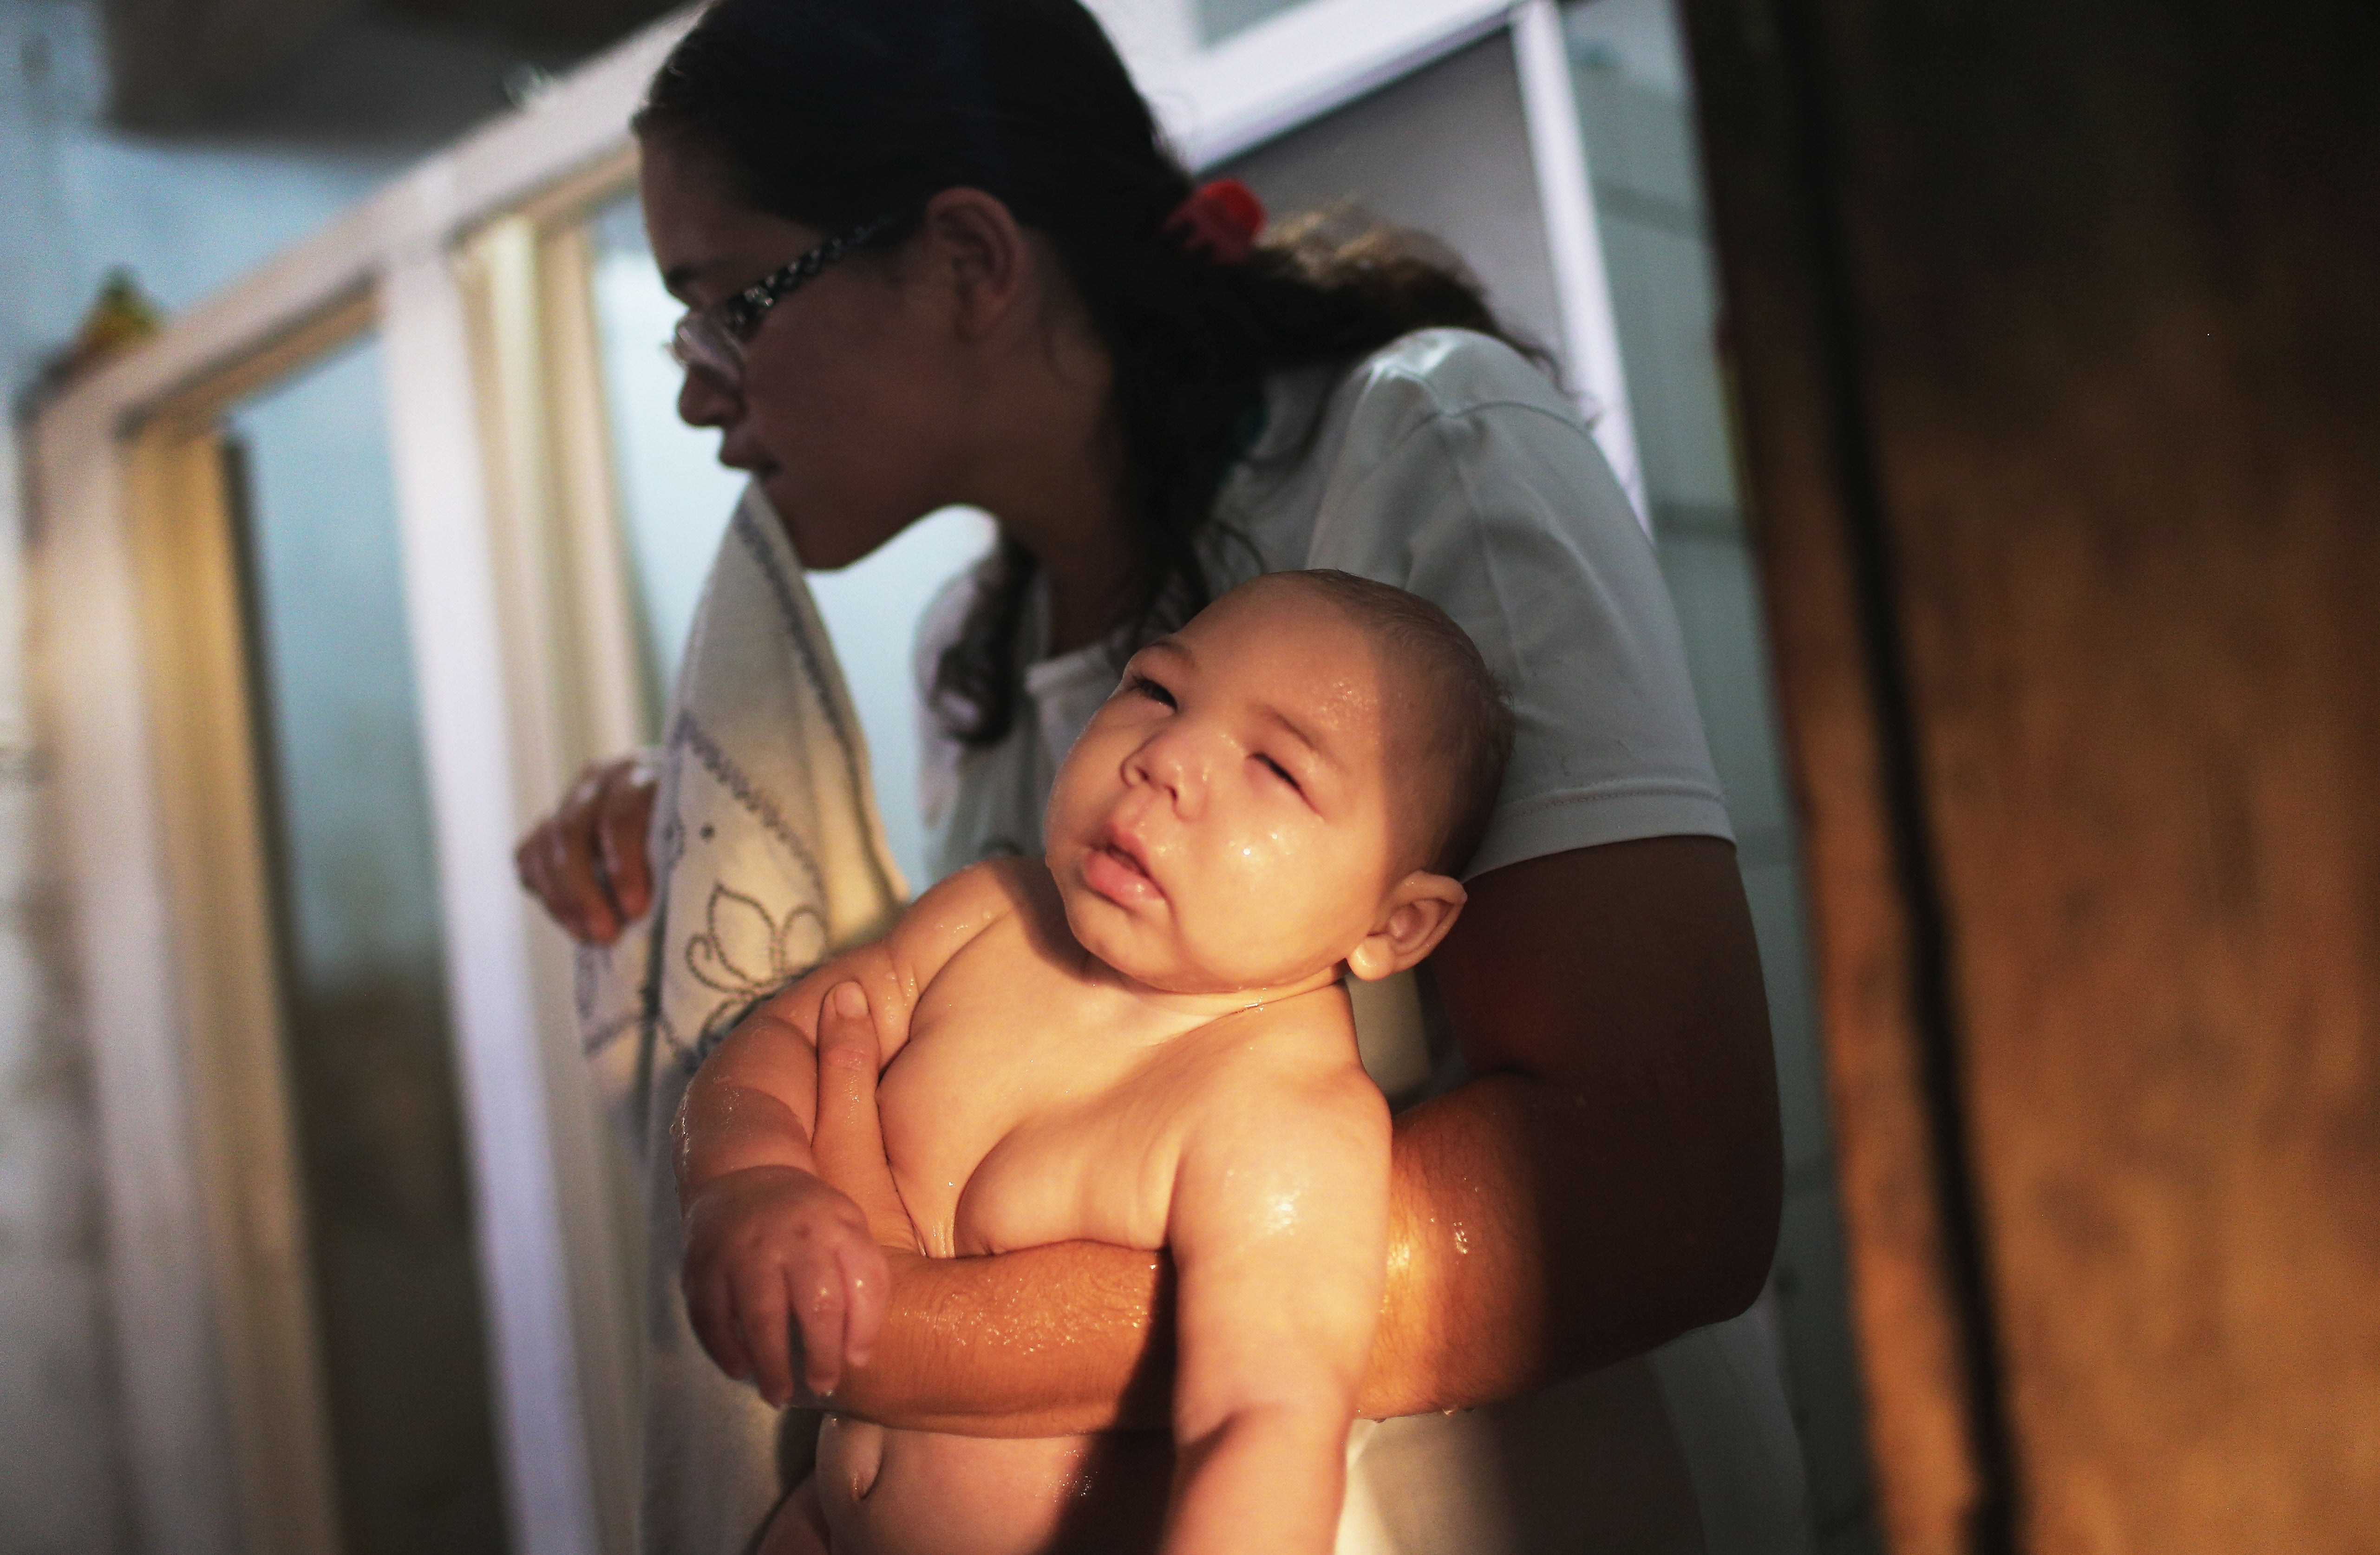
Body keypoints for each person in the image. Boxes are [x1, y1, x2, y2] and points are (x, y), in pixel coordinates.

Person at [516, 0, 1810, 1549]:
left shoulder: (1422, 445)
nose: (695, 388)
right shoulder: (975, 663)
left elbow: (1657, 1179)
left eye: (728, 305)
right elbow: (979, 1073)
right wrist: (702, 869)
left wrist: (887, 1333)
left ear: (969, 259)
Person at [678, 571, 1510, 1555]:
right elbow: (778, 1043)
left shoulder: (1283, 1121)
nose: (1165, 758)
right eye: (1157, 690)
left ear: (1393, 923)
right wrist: (752, 1179)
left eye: (1277, 768)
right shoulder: (990, 916)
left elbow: (1265, 1426)